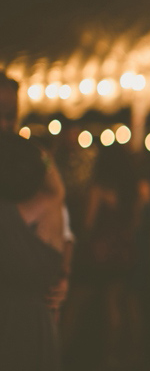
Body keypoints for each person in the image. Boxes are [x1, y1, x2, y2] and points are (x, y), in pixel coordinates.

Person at [0, 71, 73, 316]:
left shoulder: (28, 163)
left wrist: (61, 276)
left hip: (26, 318)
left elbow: (63, 229)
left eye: (10, 116)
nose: (3, 125)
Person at [0, 133, 65, 370]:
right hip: (36, 324)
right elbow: (55, 183)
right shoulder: (50, 206)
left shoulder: (6, 215)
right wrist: (43, 155)